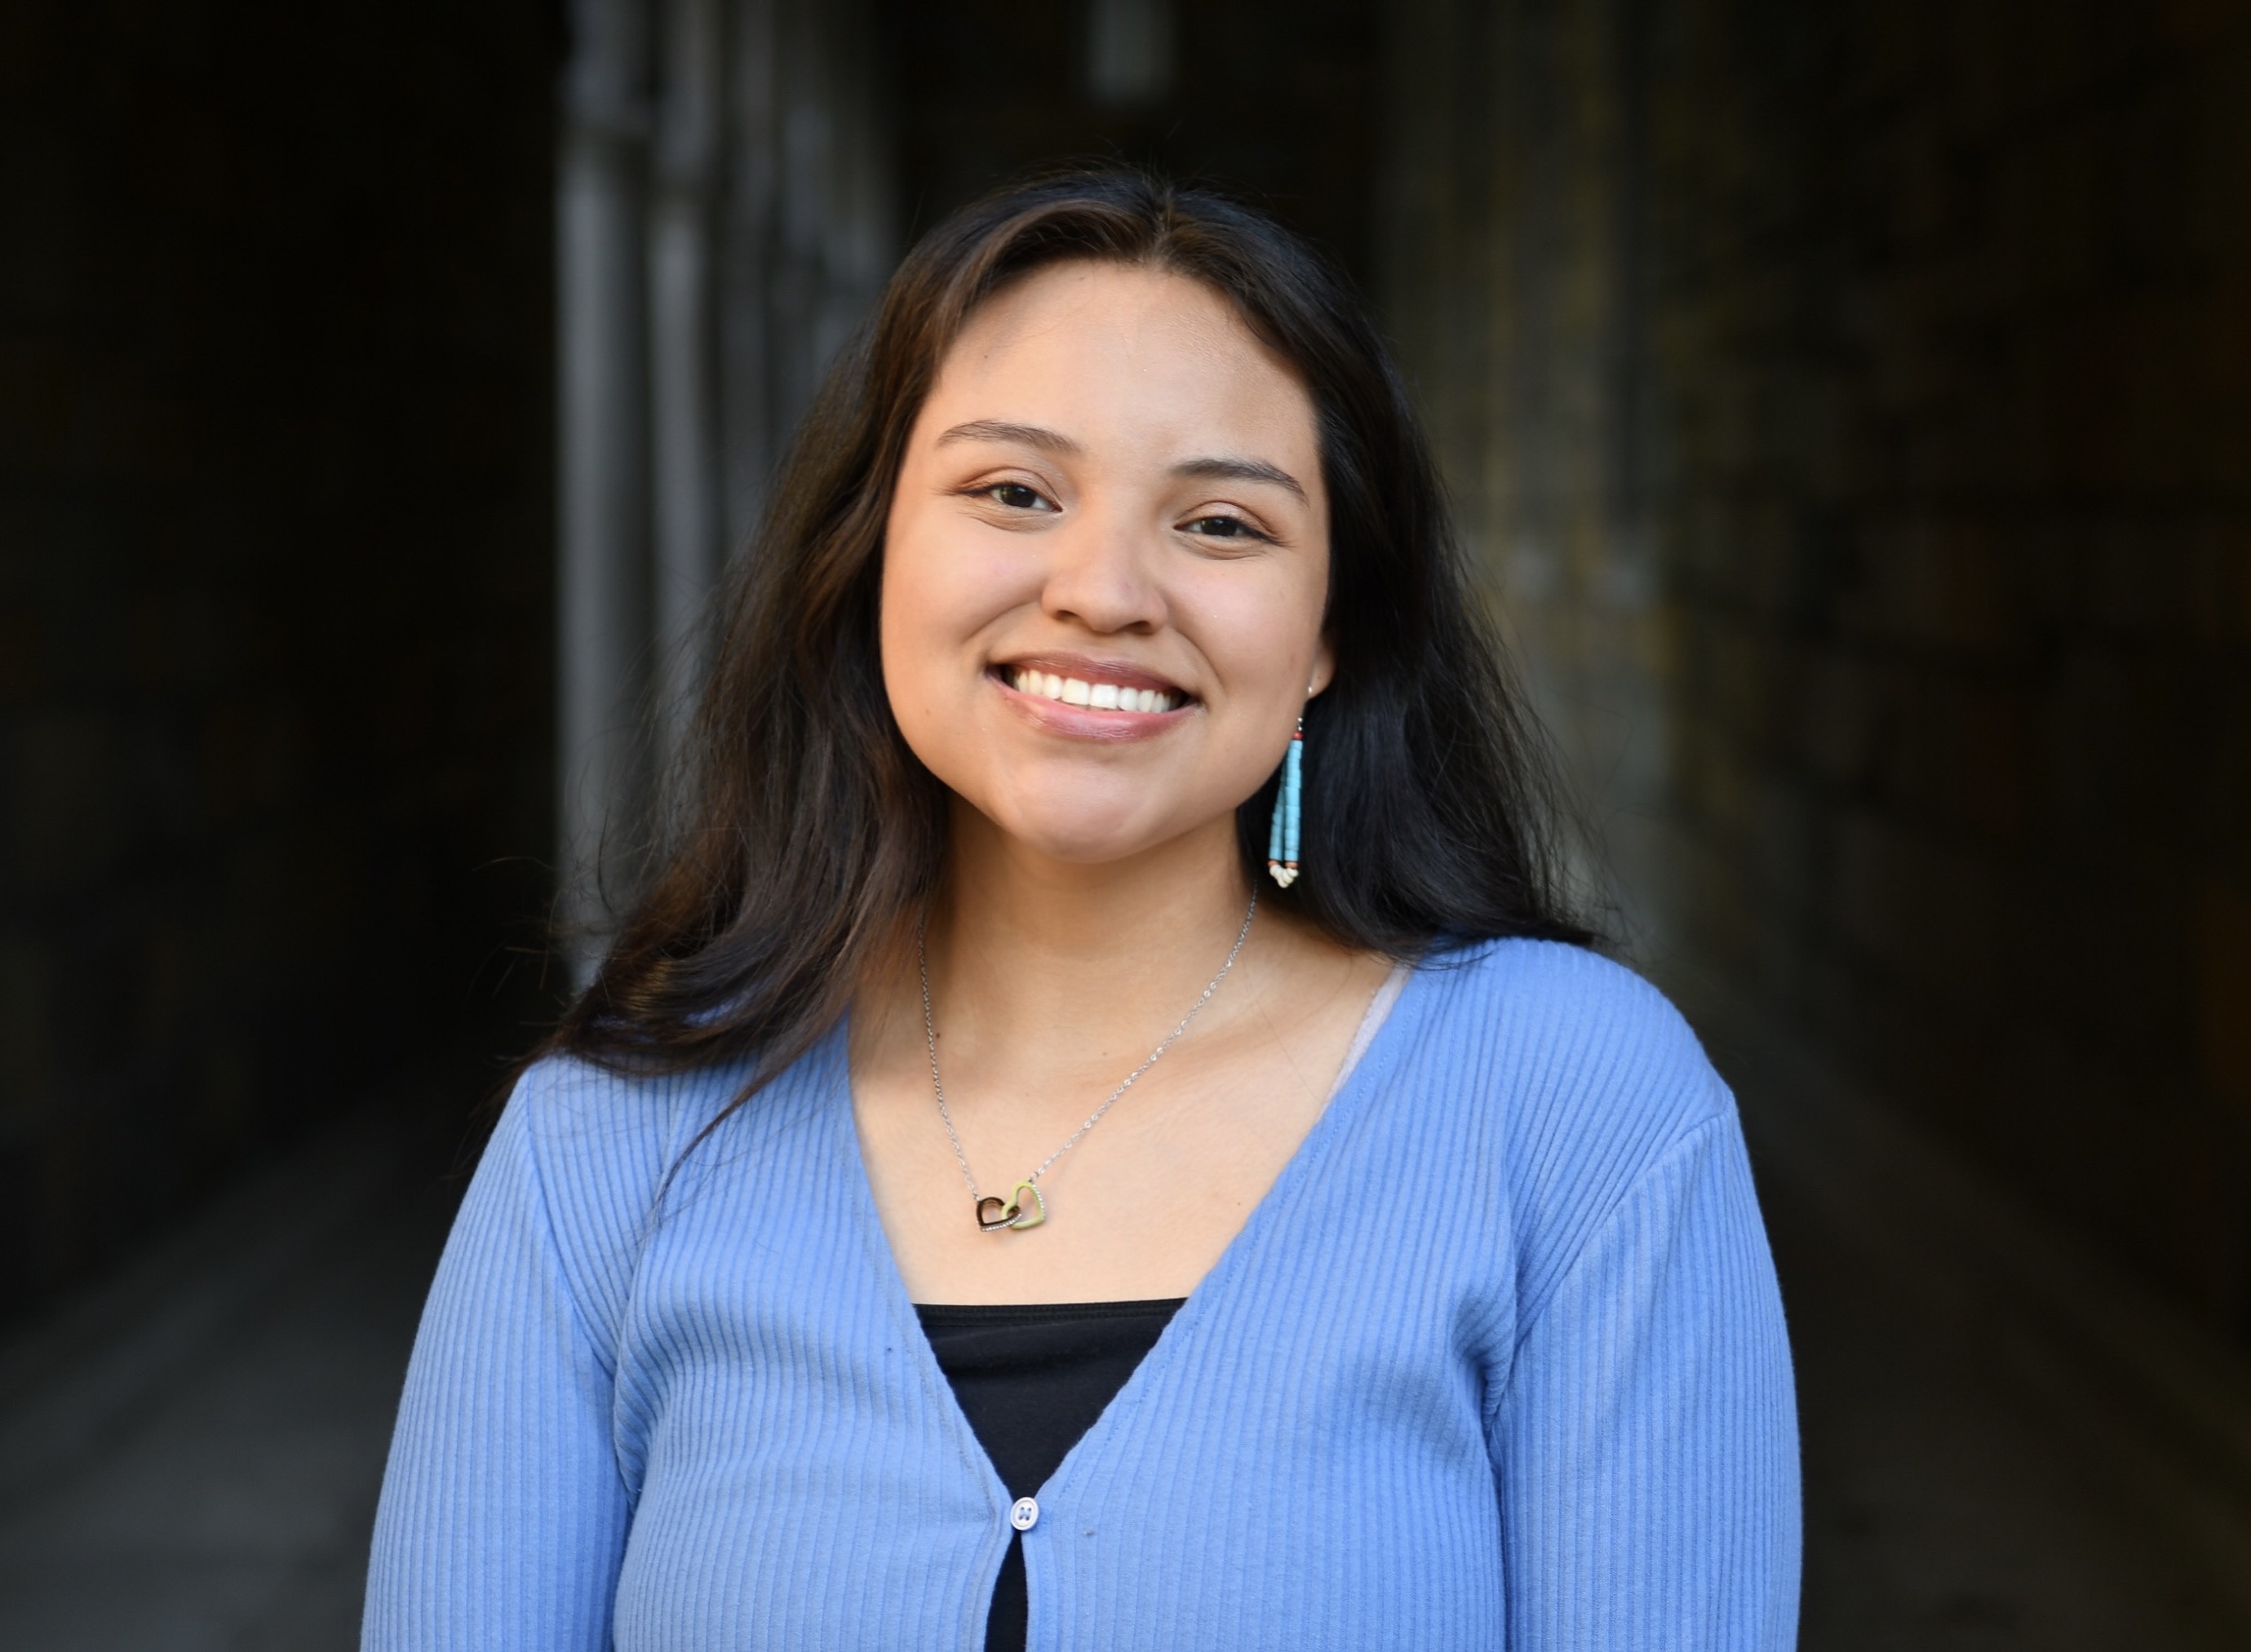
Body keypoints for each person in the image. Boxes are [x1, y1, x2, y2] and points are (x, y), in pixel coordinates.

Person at [363, 169, 1799, 1650]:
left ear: (1331, 631)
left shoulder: (1576, 1110)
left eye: (1224, 523)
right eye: (1014, 492)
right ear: (869, 558)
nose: (1105, 590)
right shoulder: (614, 1136)